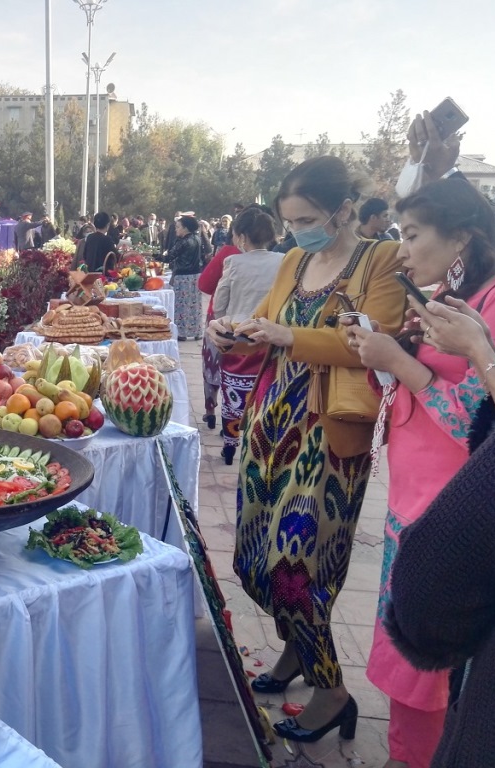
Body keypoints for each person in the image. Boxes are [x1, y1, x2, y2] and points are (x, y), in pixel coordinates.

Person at [207, 156, 405, 743]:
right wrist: (232, 332)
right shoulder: (293, 261)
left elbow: (374, 342)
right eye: (290, 222)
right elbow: (266, 326)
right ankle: (297, 651)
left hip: (328, 435)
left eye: (306, 220)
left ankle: (332, 691)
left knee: (296, 567)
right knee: (252, 558)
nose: (296, 233)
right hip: (271, 425)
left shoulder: (380, 260)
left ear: (343, 210)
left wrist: (289, 334)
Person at [345, 178, 495, 768]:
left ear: (461, 236)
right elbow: (422, 390)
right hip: (413, 496)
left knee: (431, 656)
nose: (402, 252)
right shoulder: (447, 297)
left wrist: (402, 363)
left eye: (412, 235)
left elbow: (482, 422)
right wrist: (388, 353)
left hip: (453, 508)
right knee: (406, 641)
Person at [384, 418, 495, 766]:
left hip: (452, 502)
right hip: (418, 496)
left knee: (426, 681)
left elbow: (429, 600)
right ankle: (401, 750)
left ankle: (409, 755)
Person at [211, 206, 283, 464]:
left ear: (241, 236)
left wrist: (225, 318)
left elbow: (220, 303)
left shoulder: (234, 262)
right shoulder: (284, 261)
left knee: (233, 394)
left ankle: (230, 446)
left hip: (239, 338)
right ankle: (261, 444)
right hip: (271, 337)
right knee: (267, 393)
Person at [197, 223, 241, 432]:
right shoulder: (277, 257)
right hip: (257, 320)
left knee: (214, 363)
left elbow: (205, 284)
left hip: (221, 318)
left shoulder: (229, 253)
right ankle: (234, 417)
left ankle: (211, 410)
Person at [167, 214, 205, 341]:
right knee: (195, 304)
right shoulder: (197, 238)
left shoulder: (183, 241)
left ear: (185, 228)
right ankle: (197, 331)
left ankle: (182, 332)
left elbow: (169, 257)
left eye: (178, 227)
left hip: (183, 276)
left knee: (181, 305)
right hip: (196, 275)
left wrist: (153, 255)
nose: (176, 229)